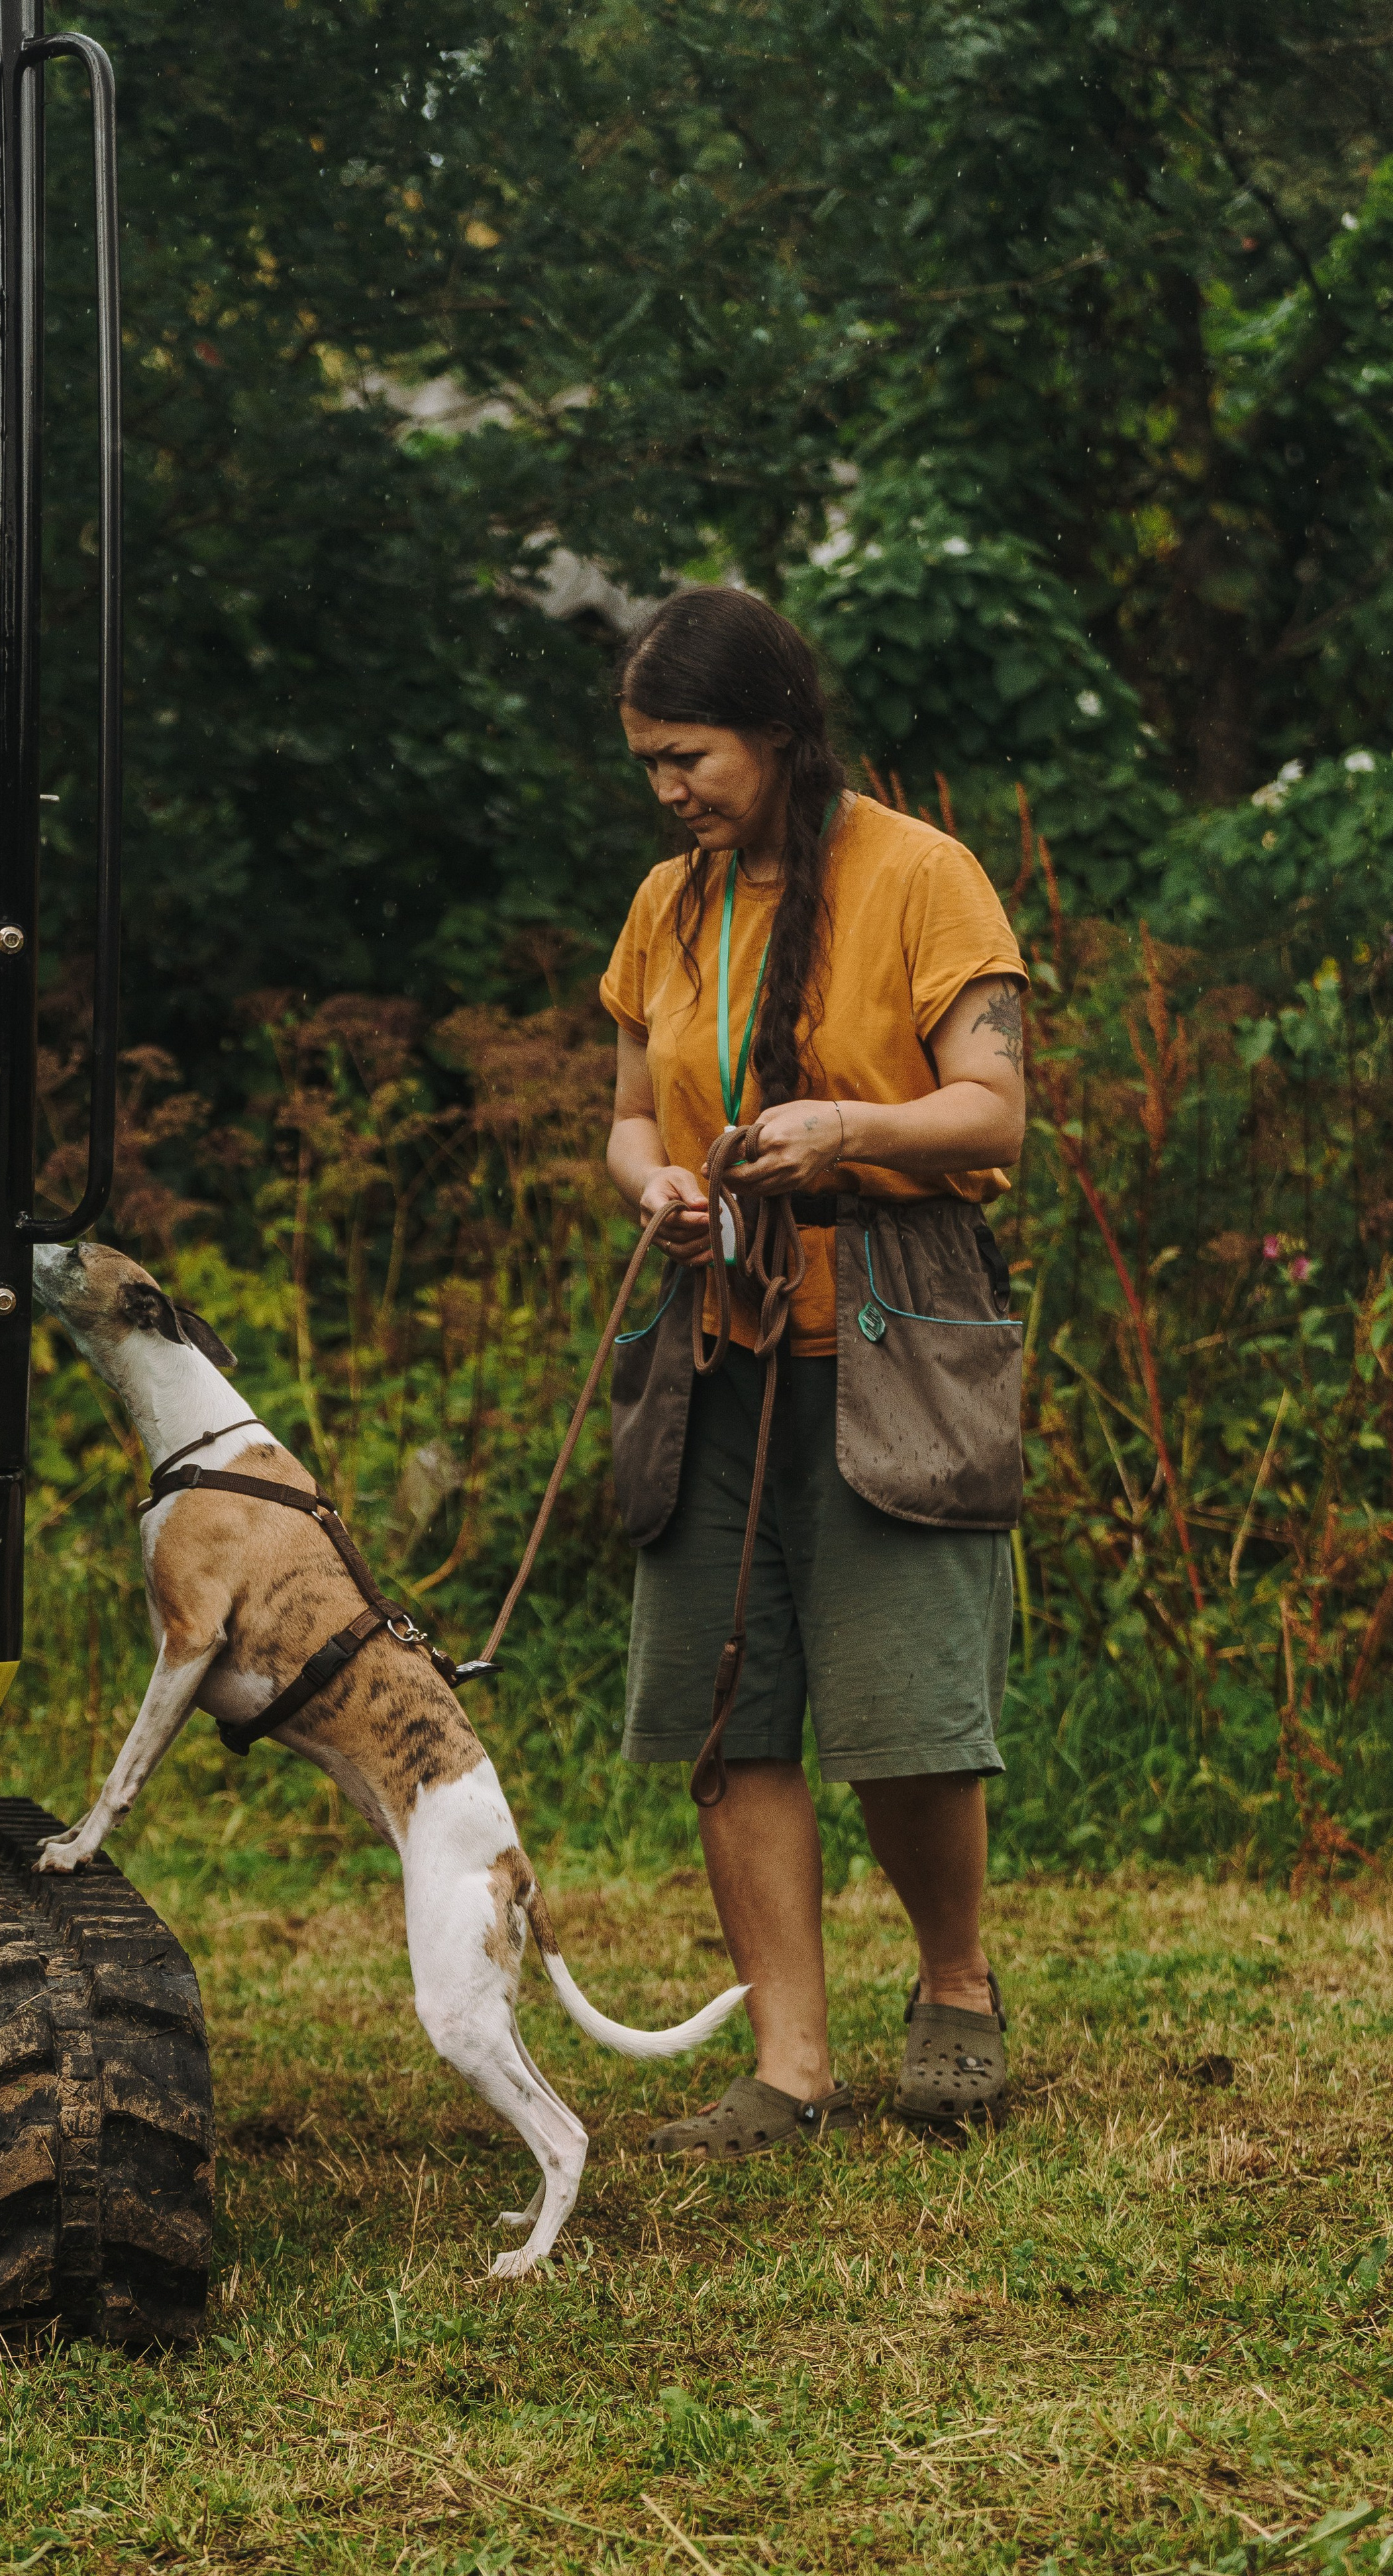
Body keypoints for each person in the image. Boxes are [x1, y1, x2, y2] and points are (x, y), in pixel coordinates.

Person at [599, 586, 1027, 2153]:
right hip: (715, 1343)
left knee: (905, 1705)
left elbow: (992, 1114)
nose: (667, 788)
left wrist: (841, 1128)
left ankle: (957, 1988)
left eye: (688, 753)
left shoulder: (920, 875)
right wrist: (653, 1181)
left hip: (890, 1334)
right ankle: (788, 2067)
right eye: (646, 760)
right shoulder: (668, 903)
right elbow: (630, 1111)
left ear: (776, 729)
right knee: (729, 1702)